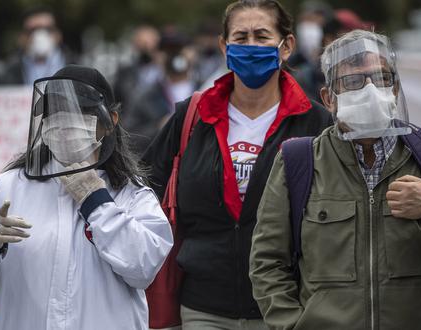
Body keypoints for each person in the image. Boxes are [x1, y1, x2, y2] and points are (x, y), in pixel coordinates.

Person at [249, 29, 421, 330]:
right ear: (328, 98)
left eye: (382, 78)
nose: (371, 90)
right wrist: (293, 325)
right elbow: (266, 262)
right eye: (353, 81)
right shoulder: (299, 161)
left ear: (396, 90)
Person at [142, 1, 333, 329]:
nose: (251, 47)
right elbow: (143, 187)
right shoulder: (192, 115)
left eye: (262, 37)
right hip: (203, 308)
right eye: (240, 38)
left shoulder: (316, 122)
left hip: (285, 309)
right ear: (224, 46)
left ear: (286, 46)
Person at [0, 65, 173, 330]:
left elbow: (143, 268)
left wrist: (97, 203)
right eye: (55, 112)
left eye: (78, 111)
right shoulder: (9, 187)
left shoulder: (130, 192)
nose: (64, 121)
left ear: (110, 121)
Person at [120, 28, 196, 152]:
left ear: (192, 52)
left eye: (179, 49)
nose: (174, 56)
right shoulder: (144, 96)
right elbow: (128, 139)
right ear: (157, 56)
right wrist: (159, 129)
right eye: (167, 51)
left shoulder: (207, 88)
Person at [0, 7, 76, 86]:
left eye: (48, 29)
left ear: (58, 34)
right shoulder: (6, 75)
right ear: (21, 37)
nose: (39, 36)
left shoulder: (77, 68)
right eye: (32, 30)